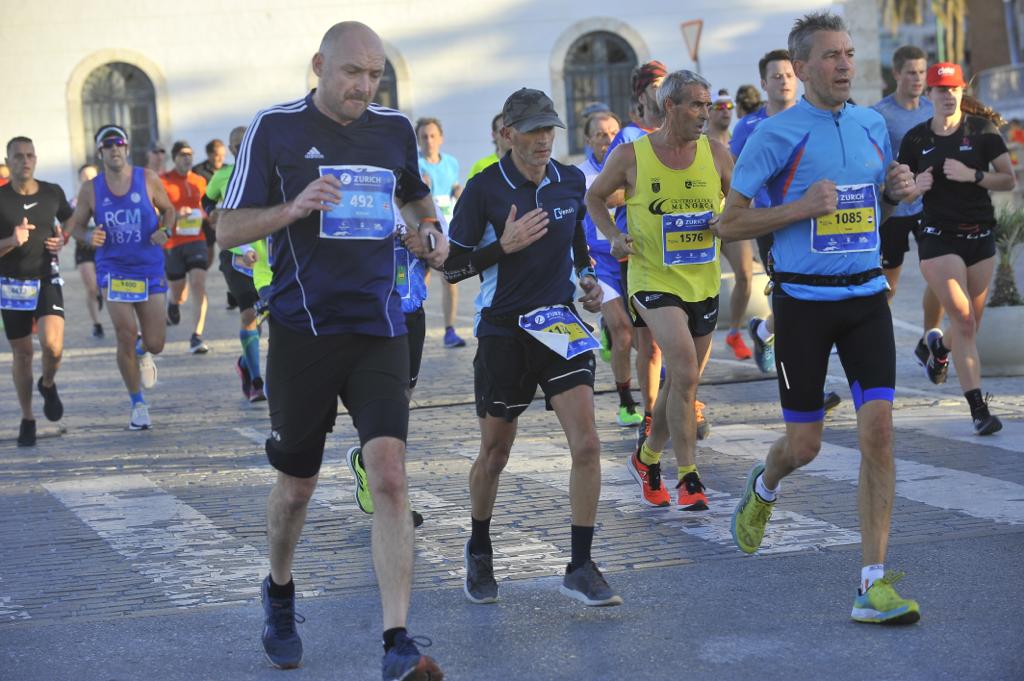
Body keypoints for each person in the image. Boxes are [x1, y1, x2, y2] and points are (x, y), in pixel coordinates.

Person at [216, 22, 447, 679]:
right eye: (352, 73)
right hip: (301, 332)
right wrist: (292, 208)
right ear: (320, 65)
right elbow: (226, 227)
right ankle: (281, 591)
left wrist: (427, 234)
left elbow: (415, 197)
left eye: (374, 75)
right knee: (297, 487)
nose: (363, 87)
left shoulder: (393, 128)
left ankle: (397, 641)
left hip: (378, 326)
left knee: (392, 476)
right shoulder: (274, 128)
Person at [719, 11, 921, 624]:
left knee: (878, 433)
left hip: (864, 299)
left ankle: (872, 582)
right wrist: (801, 207)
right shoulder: (775, 135)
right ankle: (765, 483)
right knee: (804, 446)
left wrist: (897, 187)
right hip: (802, 306)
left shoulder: (871, 124)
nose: (843, 65)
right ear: (801, 67)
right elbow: (729, 223)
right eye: (830, 56)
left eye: (849, 54)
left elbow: (879, 199)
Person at [444, 87, 622, 608]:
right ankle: (479, 548)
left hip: (560, 326)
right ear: (507, 134)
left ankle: (581, 564)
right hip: (503, 330)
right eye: (534, 131)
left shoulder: (569, 181)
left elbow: (577, 247)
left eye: (550, 130)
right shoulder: (483, 190)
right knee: (496, 453)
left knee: (587, 443)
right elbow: (451, 267)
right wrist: (503, 246)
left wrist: (588, 281)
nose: (545, 139)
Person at [588, 70, 732, 511]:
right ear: (669, 107)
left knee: (681, 382)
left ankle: (646, 457)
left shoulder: (719, 156)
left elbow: (743, 205)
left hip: (702, 281)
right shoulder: (632, 155)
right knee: (684, 369)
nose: (704, 115)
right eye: (695, 105)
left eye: (707, 106)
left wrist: (727, 222)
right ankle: (689, 477)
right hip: (652, 279)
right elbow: (595, 197)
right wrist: (613, 235)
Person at [900, 62, 1015, 435]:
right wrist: (916, 185)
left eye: (953, 89)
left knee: (969, 324)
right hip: (936, 237)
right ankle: (979, 410)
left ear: (962, 91)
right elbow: (899, 190)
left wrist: (974, 176)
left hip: (980, 237)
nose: (947, 96)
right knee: (964, 319)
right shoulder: (916, 139)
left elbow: (1008, 180)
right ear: (928, 95)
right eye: (940, 90)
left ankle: (939, 349)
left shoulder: (982, 131)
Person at [66, 124, 175, 430]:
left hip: (149, 267)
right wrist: (89, 235)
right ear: (100, 152)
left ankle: (143, 354)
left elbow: (169, 210)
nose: (115, 149)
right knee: (125, 333)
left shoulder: (147, 178)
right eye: (108, 145)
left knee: (155, 342)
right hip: (113, 270)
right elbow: (75, 226)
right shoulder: (91, 188)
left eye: (120, 144)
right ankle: (137, 404)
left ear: (126, 149)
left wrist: (165, 231)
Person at [604, 60, 674, 446]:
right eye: (657, 86)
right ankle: (651, 415)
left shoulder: (681, 129)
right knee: (651, 345)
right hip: (642, 253)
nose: (663, 94)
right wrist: (644, 189)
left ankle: (683, 400)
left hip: (684, 253)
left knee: (690, 340)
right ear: (642, 93)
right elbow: (607, 191)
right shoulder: (630, 136)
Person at [872, 46, 942, 367]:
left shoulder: (932, 109)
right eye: (911, 72)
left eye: (921, 72)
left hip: (929, 206)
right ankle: (878, 343)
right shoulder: (881, 114)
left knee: (941, 274)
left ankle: (929, 341)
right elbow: (874, 160)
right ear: (897, 74)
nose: (917, 79)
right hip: (895, 208)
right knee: (890, 283)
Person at [0, 136, 73, 446]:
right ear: (8, 160)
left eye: (30, 155)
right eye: (18, 156)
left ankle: (48, 382)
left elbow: (70, 221)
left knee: (53, 346)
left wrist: (63, 238)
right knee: (23, 354)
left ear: (36, 158)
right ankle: (27, 417)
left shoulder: (52, 193)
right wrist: (11, 242)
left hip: (46, 278)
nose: (25, 161)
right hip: (12, 283)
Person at [577, 110, 643, 426]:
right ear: (588, 139)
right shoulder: (578, 175)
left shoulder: (634, 167)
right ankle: (626, 402)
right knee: (623, 330)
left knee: (642, 334)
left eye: (613, 133)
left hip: (633, 259)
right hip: (600, 261)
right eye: (600, 134)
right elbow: (570, 223)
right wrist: (578, 259)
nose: (608, 140)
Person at [204, 126, 266, 402]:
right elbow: (206, 200)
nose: (243, 149)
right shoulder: (223, 175)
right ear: (231, 150)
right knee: (249, 314)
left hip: (266, 254)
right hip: (235, 254)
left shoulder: (267, 170)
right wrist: (213, 214)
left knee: (270, 316)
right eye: (237, 146)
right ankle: (255, 380)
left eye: (247, 144)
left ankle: (246, 362)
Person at [707, 90, 756, 361]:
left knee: (746, 275)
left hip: (733, 217)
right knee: (705, 281)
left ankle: (735, 333)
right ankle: (699, 331)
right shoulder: (701, 141)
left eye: (729, 106)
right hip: (706, 221)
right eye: (719, 106)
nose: (726, 110)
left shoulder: (740, 139)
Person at [416, 117, 465, 349]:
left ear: (441, 138)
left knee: (450, 279)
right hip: (422, 229)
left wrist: (458, 190)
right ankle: (415, 329)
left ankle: (449, 330)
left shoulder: (451, 163)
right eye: (424, 137)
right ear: (418, 140)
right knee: (420, 282)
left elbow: (454, 185)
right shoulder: (415, 164)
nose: (429, 141)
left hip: (446, 228)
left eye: (433, 136)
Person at [161, 141, 210, 354]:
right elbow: (157, 211)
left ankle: (196, 336)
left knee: (199, 283)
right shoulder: (163, 181)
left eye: (190, 154)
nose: (187, 158)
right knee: (179, 292)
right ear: (174, 158)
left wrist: (204, 214)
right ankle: (173, 303)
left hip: (196, 239)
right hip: (173, 242)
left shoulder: (199, 181)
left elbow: (206, 206)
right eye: (182, 155)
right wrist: (174, 214)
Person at [71, 163, 105, 339]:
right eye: (84, 176)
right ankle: (97, 324)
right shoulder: (74, 202)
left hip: (104, 247)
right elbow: (69, 225)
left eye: (91, 176)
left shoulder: (107, 198)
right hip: (84, 248)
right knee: (91, 287)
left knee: (106, 287)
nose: (88, 179)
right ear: (79, 179)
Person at [193, 139, 225, 268]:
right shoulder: (197, 171)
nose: (220, 159)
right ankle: (205, 270)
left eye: (223, 155)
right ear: (209, 154)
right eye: (217, 155)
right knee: (209, 247)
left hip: (225, 214)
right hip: (206, 216)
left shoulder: (228, 169)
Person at [466, 113, 512, 180]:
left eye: (512, 130)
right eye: (504, 131)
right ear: (494, 135)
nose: (509, 135)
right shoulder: (481, 166)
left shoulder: (527, 165)